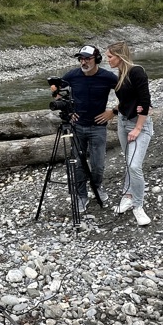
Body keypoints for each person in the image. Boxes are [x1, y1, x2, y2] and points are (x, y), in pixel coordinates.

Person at [61, 44, 118, 217]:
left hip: (98, 127)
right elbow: (57, 91)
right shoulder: (72, 75)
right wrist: (68, 112)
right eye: (81, 58)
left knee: (98, 163)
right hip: (77, 126)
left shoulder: (107, 77)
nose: (83, 62)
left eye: (87, 58)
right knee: (78, 163)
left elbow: (127, 94)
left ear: (97, 59)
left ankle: (97, 187)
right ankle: (81, 195)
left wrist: (112, 112)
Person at [104, 41, 153, 227]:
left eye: (110, 57)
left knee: (134, 165)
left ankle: (138, 206)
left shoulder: (136, 71)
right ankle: (128, 195)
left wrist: (138, 128)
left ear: (120, 56)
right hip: (123, 122)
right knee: (128, 161)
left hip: (138, 124)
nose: (108, 60)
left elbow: (145, 101)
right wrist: (114, 111)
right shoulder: (120, 74)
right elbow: (127, 100)